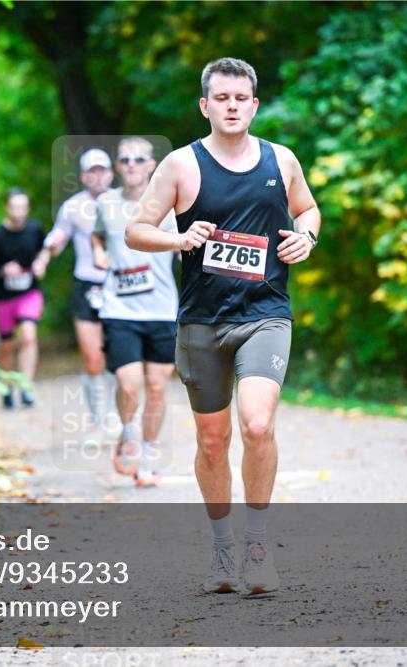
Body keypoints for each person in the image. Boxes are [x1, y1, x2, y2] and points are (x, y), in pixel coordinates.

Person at [125, 57, 321, 594]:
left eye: (242, 98)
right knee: (213, 442)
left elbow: (307, 210)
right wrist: (180, 240)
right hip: (202, 321)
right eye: (222, 98)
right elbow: (136, 231)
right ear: (205, 105)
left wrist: (307, 237)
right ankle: (222, 549)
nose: (232, 106)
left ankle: (257, 545)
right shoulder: (180, 165)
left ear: (254, 105)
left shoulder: (281, 160)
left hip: (265, 314)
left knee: (257, 425)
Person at [91, 137, 179, 488]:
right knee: (129, 384)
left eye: (138, 159)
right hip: (119, 308)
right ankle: (128, 430)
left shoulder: (170, 208)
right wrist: (100, 253)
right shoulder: (106, 204)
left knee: (157, 388)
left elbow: (183, 246)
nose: (131, 164)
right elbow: (98, 237)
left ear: (151, 165)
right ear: (118, 166)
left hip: (161, 308)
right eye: (124, 159)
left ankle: (149, 453)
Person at [43, 148, 115, 437]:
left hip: (119, 286)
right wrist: (48, 250)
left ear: (110, 174)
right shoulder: (73, 207)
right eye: (91, 171)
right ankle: (97, 419)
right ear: (84, 176)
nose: (97, 176)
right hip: (86, 285)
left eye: (102, 170)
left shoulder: (122, 203)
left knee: (118, 354)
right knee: (92, 358)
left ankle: (113, 413)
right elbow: (57, 238)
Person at [0, 188, 49, 408]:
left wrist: (41, 264)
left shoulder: (35, 229)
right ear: (7, 208)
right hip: (3, 298)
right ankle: (8, 386)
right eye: (14, 207)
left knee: (29, 335)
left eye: (22, 207)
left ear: (27, 209)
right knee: (6, 345)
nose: (18, 211)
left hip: (29, 293)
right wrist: (1, 271)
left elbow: (46, 249)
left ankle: (26, 387)